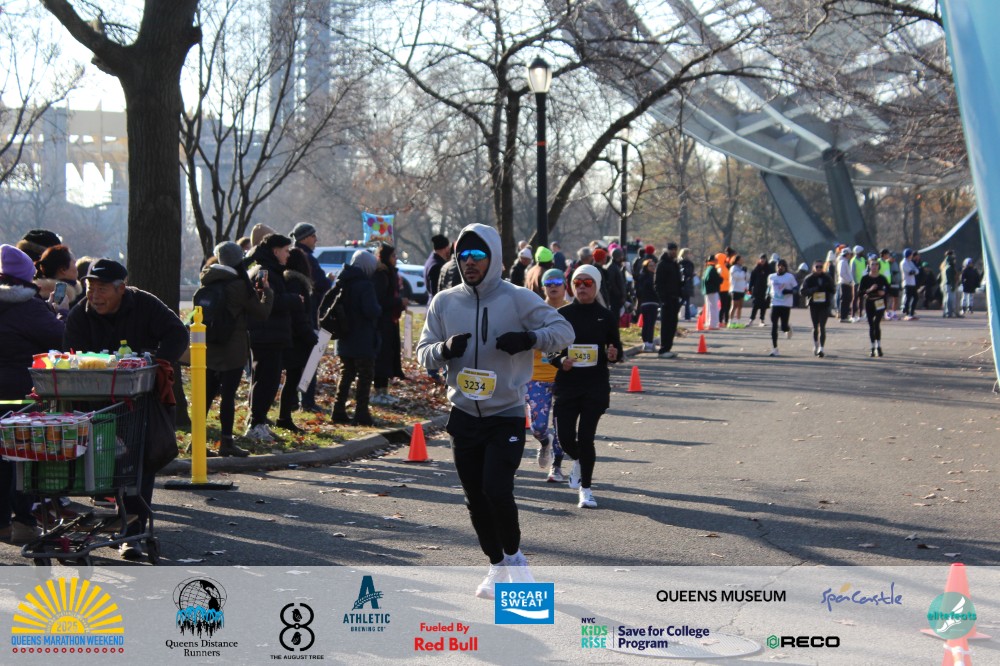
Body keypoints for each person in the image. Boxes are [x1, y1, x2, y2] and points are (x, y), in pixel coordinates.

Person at [416, 223, 574, 600]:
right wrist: (443, 350)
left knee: (496, 489)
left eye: (478, 255)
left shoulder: (517, 298)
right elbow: (422, 352)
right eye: (463, 256)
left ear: (494, 258)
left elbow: (563, 331)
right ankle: (496, 566)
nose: (469, 262)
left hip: (506, 412)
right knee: (474, 497)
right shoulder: (444, 302)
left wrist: (530, 339)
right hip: (463, 414)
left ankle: (516, 559)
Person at [63, 257, 187, 560]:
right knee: (102, 464)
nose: (94, 295)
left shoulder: (145, 304)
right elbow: (70, 354)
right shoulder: (80, 314)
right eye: (91, 288)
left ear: (121, 289)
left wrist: (156, 361)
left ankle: (133, 532)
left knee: (137, 463)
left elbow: (177, 333)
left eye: (102, 289)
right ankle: (112, 521)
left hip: (139, 400)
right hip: (94, 402)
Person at [0, 245, 64, 544]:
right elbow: (60, 338)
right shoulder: (29, 307)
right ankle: (24, 520)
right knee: (21, 456)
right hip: (20, 394)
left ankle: (2, 523)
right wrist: (58, 312)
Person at [552, 264, 623, 510]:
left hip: (595, 385)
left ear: (596, 286)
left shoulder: (606, 316)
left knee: (586, 437)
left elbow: (616, 348)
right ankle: (579, 461)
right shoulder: (562, 315)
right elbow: (550, 350)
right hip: (568, 386)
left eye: (587, 283)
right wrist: (561, 360)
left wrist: (613, 354)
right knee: (564, 438)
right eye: (577, 283)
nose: (582, 287)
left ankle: (586, 490)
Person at [200, 242, 273, 456]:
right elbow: (262, 313)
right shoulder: (239, 285)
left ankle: (196, 441)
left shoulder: (208, 279)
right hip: (232, 348)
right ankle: (226, 442)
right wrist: (267, 292)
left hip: (209, 346)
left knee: (205, 396)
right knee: (228, 397)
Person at [245, 233, 297, 442]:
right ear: (275, 251)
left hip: (270, 334)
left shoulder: (271, 270)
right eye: (286, 250)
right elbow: (266, 301)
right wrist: (294, 299)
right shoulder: (265, 271)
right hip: (265, 336)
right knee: (265, 382)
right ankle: (255, 425)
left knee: (269, 381)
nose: (288, 255)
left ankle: (259, 422)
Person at [528, 267, 571, 482]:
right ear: (543, 287)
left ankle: (557, 466)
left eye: (557, 282)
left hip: (565, 376)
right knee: (538, 427)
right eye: (548, 283)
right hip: (537, 375)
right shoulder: (535, 312)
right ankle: (545, 442)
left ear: (565, 286)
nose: (553, 286)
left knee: (562, 425)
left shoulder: (571, 312)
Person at [332, 251, 382, 425]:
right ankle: (361, 412)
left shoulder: (342, 280)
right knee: (365, 376)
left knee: (346, 374)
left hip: (344, 336)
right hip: (362, 338)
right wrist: (379, 309)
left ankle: (338, 409)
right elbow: (371, 310)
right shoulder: (365, 285)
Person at [289, 222, 331, 413]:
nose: (316, 240)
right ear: (305, 238)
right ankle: (307, 400)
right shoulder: (308, 259)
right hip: (310, 315)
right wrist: (329, 280)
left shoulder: (292, 255)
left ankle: (294, 400)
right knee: (310, 361)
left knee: (297, 362)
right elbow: (321, 284)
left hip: (297, 318)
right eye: (313, 236)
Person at [276, 247, 319, 431]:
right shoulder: (297, 283)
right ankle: (284, 416)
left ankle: (285, 415)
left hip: (293, 336)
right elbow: (299, 314)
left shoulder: (287, 281)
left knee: (291, 378)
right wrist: (309, 336)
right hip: (297, 338)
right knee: (292, 378)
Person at [372, 243, 407, 407]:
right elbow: (380, 300)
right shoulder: (381, 275)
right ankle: (378, 392)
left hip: (391, 321)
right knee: (382, 357)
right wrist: (398, 301)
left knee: (389, 356)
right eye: (393, 255)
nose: (396, 258)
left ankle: (384, 391)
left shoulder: (391, 273)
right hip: (382, 323)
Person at [801, 260, 836, 357]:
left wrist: (827, 289)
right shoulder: (809, 278)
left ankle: (821, 348)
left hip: (824, 305)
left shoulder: (827, 277)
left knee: (822, 326)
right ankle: (816, 345)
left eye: (821, 267)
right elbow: (802, 291)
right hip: (813, 305)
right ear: (813, 268)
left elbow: (833, 289)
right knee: (815, 326)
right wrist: (813, 290)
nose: (819, 269)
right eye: (817, 267)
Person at [33, 244, 83, 311]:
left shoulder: (34, 296)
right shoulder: (70, 300)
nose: (76, 268)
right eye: (74, 263)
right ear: (63, 270)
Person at [654, 242, 682, 357]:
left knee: (672, 325)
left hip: (675, 298)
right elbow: (657, 283)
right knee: (666, 325)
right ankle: (663, 349)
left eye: (675, 249)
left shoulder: (675, 264)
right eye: (671, 250)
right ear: (667, 250)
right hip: (667, 299)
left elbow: (677, 281)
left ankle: (668, 348)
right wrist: (663, 299)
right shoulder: (662, 264)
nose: (674, 252)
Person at [858, 257, 890, 357]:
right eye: (872, 264)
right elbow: (860, 292)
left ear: (878, 266)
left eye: (876, 264)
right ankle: (872, 348)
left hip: (879, 302)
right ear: (869, 266)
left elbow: (888, 289)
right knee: (871, 325)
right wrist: (869, 290)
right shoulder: (865, 278)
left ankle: (878, 347)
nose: (874, 266)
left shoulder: (882, 278)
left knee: (877, 324)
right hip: (870, 302)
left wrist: (883, 292)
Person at [766, 259, 797, 356]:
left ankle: (788, 328)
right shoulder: (771, 276)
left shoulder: (789, 277)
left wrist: (789, 291)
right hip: (774, 303)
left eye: (782, 266)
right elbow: (769, 288)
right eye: (778, 265)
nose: (780, 267)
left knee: (783, 327)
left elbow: (796, 289)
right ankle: (775, 349)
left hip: (785, 304)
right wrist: (767, 295)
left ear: (785, 267)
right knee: (774, 326)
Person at [636, 257, 659, 352]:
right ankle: (648, 343)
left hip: (646, 303)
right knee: (649, 324)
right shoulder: (652, 277)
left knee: (647, 323)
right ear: (646, 267)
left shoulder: (642, 277)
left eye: (654, 266)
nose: (653, 267)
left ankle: (647, 342)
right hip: (650, 302)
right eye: (650, 266)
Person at [748, 254, 771, 326]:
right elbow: (752, 280)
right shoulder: (756, 269)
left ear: (766, 260)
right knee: (755, 305)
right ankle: (751, 319)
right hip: (757, 290)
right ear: (759, 260)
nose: (762, 260)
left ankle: (762, 320)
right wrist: (750, 288)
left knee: (764, 306)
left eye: (764, 259)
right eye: (761, 259)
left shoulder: (768, 268)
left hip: (765, 290)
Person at [606, 248, 628, 324]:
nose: (623, 257)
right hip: (614, 297)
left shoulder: (617, 266)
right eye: (621, 256)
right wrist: (619, 294)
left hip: (617, 296)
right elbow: (612, 283)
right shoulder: (612, 267)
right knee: (614, 316)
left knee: (617, 316)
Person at [701, 255, 722, 329]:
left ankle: (708, 323)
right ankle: (712, 324)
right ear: (713, 260)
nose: (717, 261)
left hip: (707, 290)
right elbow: (718, 280)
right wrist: (720, 276)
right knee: (714, 308)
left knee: (709, 308)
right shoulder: (713, 269)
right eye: (716, 259)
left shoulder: (707, 268)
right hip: (712, 290)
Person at [727, 254, 748, 326]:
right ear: (737, 261)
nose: (742, 261)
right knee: (734, 306)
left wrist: (745, 272)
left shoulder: (741, 268)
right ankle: (730, 322)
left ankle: (738, 322)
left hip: (741, 290)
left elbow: (746, 277)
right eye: (741, 259)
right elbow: (738, 276)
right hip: (735, 289)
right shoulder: (733, 268)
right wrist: (743, 272)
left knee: (740, 306)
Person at [900, 248, 920, 320]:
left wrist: (915, 271)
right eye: (911, 254)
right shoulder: (904, 262)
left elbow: (917, 270)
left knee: (916, 297)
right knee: (908, 298)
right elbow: (910, 272)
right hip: (907, 283)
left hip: (912, 283)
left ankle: (911, 313)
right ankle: (907, 313)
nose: (912, 255)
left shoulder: (910, 262)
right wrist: (914, 271)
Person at [836, 247, 855, 323]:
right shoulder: (843, 262)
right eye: (849, 254)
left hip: (846, 283)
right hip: (844, 283)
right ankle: (843, 317)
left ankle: (845, 316)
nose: (850, 255)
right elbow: (842, 273)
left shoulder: (844, 261)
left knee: (847, 300)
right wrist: (849, 280)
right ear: (847, 254)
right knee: (845, 300)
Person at [715, 248, 733, 326]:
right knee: (723, 305)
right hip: (722, 289)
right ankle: (720, 321)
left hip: (727, 288)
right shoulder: (719, 267)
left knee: (727, 305)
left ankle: (726, 320)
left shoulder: (724, 267)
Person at [940, 250, 960, 318]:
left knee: (946, 298)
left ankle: (946, 312)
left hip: (944, 283)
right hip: (949, 284)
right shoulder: (950, 266)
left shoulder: (944, 264)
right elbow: (952, 277)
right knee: (950, 298)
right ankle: (949, 312)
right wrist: (953, 285)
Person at [850, 245, 867, 321]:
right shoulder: (853, 260)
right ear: (858, 252)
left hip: (863, 282)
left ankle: (860, 315)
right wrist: (855, 282)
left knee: (861, 299)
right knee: (855, 299)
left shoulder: (863, 259)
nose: (863, 253)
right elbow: (852, 273)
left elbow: (864, 270)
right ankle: (853, 316)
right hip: (856, 283)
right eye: (861, 252)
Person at [678, 248, 695, 320]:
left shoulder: (678, 262)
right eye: (689, 253)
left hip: (680, 283)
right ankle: (687, 315)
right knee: (685, 300)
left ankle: (687, 315)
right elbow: (689, 273)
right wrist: (692, 275)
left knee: (684, 300)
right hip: (687, 283)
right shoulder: (688, 263)